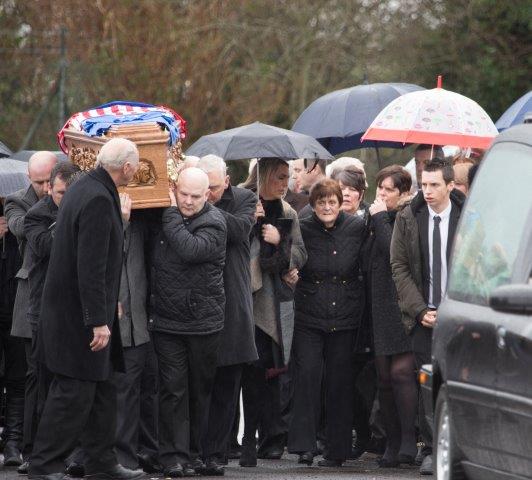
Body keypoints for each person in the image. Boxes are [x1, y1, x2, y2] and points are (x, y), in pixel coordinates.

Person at [28, 138, 142, 480]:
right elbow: (89, 264)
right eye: (135, 166)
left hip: (79, 309)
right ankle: (45, 467)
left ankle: (101, 462)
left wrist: (110, 304)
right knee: (72, 394)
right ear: (127, 168)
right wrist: (97, 320)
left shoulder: (85, 188)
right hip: (78, 318)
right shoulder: (95, 197)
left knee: (103, 389)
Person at [149, 167, 227, 478]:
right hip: (167, 321)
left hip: (203, 322)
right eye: (183, 194)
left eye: (196, 196)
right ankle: (172, 457)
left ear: (208, 195)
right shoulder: (167, 213)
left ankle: (195, 454)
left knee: (199, 391)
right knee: (172, 391)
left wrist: (169, 212)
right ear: (174, 188)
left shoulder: (215, 223)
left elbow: (190, 249)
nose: (189, 202)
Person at [390, 158, 465, 476]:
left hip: (459, 315)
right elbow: (400, 266)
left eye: (435, 184)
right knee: (428, 383)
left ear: (450, 185)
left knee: (459, 381)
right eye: (424, 184)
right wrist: (420, 310)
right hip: (424, 315)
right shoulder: (409, 217)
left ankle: (462, 447)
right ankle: (432, 448)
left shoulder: (468, 217)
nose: (428, 190)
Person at [288, 178, 365, 467]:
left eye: (332, 201)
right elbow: (291, 254)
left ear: (340, 203)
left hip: (345, 314)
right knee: (307, 377)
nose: (327, 207)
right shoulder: (303, 227)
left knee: (339, 382)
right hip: (310, 312)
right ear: (314, 204)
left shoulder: (356, 227)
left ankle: (337, 449)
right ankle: (304, 446)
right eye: (321, 202)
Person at [239, 158, 307, 467]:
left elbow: (301, 254)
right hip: (243, 298)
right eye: (279, 177)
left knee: (271, 371)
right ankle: (245, 438)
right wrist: (248, 225)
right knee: (246, 372)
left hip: (273, 300)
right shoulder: (242, 201)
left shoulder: (288, 211)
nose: (285, 183)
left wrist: (282, 244)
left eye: (288, 177)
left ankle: (272, 438)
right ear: (265, 175)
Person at [197, 155, 258, 476]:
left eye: (214, 189)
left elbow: (238, 230)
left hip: (232, 302)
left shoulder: (246, 199)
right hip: (197, 301)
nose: (207, 195)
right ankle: (197, 450)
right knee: (199, 385)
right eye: (201, 189)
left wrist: (199, 207)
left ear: (228, 182)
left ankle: (216, 453)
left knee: (227, 384)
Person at [19, 162, 81, 473]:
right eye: (60, 194)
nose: (64, 199)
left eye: (70, 194)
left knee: (71, 384)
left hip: (75, 310)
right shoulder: (37, 216)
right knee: (43, 382)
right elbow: (51, 248)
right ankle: (36, 452)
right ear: (49, 189)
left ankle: (68, 452)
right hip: (44, 310)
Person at [3, 151, 57, 466]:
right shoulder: (16, 200)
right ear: (29, 179)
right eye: (39, 183)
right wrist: (54, 204)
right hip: (28, 299)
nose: (46, 188)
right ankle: (28, 447)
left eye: (51, 181)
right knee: (31, 376)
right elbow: (23, 228)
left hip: (56, 297)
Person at [367, 165, 418, 468]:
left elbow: (394, 253)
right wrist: (371, 222)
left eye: (389, 189)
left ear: (404, 193)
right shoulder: (374, 218)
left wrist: (378, 220)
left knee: (401, 372)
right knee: (384, 376)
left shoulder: (408, 216)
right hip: (378, 302)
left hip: (402, 302)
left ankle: (409, 439)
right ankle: (392, 440)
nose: (382, 194)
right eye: (380, 188)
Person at [114, 197, 159, 474]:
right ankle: (122, 458)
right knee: (122, 391)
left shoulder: (146, 221)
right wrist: (121, 220)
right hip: (119, 318)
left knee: (145, 389)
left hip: (142, 318)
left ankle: (144, 453)